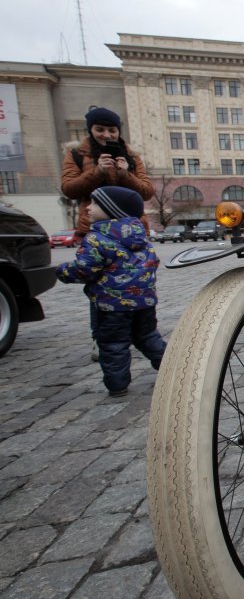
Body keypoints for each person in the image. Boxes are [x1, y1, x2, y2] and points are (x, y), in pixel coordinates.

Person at [61, 106, 156, 360]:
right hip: (95, 229)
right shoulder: (77, 154)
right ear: (90, 130)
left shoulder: (132, 156)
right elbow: (69, 188)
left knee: (136, 282)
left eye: (112, 130)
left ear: (118, 131)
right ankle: (101, 339)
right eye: (100, 129)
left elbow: (146, 191)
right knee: (98, 288)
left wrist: (126, 174)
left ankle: (144, 334)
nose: (106, 135)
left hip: (130, 231)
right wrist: (98, 171)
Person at [56, 186, 168, 397]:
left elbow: (84, 269)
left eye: (95, 203)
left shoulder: (97, 239)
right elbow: (153, 263)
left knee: (113, 344)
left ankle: (118, 386)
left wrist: (62, 271)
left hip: (111, 305)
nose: (88, 208)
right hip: (144, 303)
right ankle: (172, 369)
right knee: (148, 337)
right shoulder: (141, 238)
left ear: (113, 209)